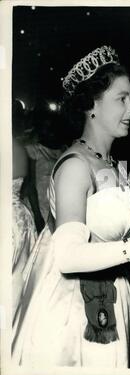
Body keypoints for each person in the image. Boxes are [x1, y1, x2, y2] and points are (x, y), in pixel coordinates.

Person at [12, 46, 130, 368]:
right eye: (122, 99)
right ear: (91, 105)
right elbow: (67, 256)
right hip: (73, 312)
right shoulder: (76, 166)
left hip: (113, 296)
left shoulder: (110, 163)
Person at [12, 100, 38, 325]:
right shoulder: (19, 148)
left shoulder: (16, 147)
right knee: (16, 287)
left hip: (12, 223)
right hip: (19, 219)